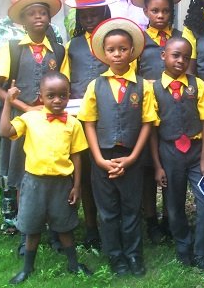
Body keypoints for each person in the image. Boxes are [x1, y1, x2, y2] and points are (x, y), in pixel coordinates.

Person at [0, 0, 63, 236]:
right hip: (20, 120)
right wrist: (25, 107)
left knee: (48, 168)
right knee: (20, 171)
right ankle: (24, 225)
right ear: (23, 21)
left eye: (43, 13)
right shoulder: (12, 49)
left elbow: (63, 86)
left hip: (49, 124)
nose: (38, 17)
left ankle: (51, 223)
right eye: (31, 14)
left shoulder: (58, 51)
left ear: (49, 18)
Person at [78, 18, 156, 277]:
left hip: (131, 156)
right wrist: (98, 159)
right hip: (103, 157)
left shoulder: (143, 86)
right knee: (108, 210)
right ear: (104, 53)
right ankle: (116, 257)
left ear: (132, 51)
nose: (117, 54)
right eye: (111, 50)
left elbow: (147, 123)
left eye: (123, 49)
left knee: (132, 208)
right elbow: (88, 123)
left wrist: (133, 157)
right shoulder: (95, 85)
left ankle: (134, 255)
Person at [0, 72, 92, 284]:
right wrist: (8, 102)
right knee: (32, 228)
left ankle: (73, 264)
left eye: (63, 95)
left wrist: (76, 185)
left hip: (62, 184)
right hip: (34, 184)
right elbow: (5, 131)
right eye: (51, 96)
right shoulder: (30, 118)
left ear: (69, 96)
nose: (57, 100)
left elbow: (77, 156)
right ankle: (27, 268)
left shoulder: (73, 124)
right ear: (41, 96)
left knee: (65, 226)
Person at [150, 37, 204, 271]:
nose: (180, 60)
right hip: (169, 153)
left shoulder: (197, 84)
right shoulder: (154, 88)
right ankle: (182, 245)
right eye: (175, 55)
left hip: (197, 151)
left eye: (186, 57)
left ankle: (201, 251)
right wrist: (158, 165)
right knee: (173, 203)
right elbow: (152, 130)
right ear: (163, 56)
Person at [60, 0, 113, 250]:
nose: (89, 18)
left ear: (104, 12)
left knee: (108, 171)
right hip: (80, 118)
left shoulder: (114, 41)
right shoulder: (72, 46)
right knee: (88, 172)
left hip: (110, 116)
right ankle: (90, 225)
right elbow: (65, 83)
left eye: (94, 13)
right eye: (84, 14)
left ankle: (113, 224)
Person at [132, 0, 185, 243]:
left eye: (165, 11)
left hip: (173, 108)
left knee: (169, 163)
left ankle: (170, 218)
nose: (161, 16)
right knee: (147, 167)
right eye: (155, 11)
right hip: (147, 109)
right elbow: (132, 75)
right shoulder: (139, 39)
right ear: (146, 12)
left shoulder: (181, 38)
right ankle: (151, 219)